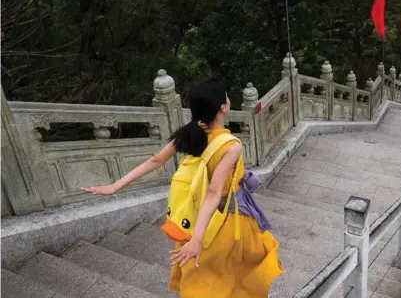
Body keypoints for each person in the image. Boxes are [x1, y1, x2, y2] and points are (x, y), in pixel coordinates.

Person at [82, 77, 283, 297]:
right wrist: (198, 240)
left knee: (203, 276)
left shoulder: (190, 132)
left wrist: (115, 186)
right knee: (238, 268)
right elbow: (215, 192)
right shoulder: (231, 145)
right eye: (226, 96)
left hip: (196, 218)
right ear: (224, 107)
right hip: (226, 219)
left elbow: (156, 161)